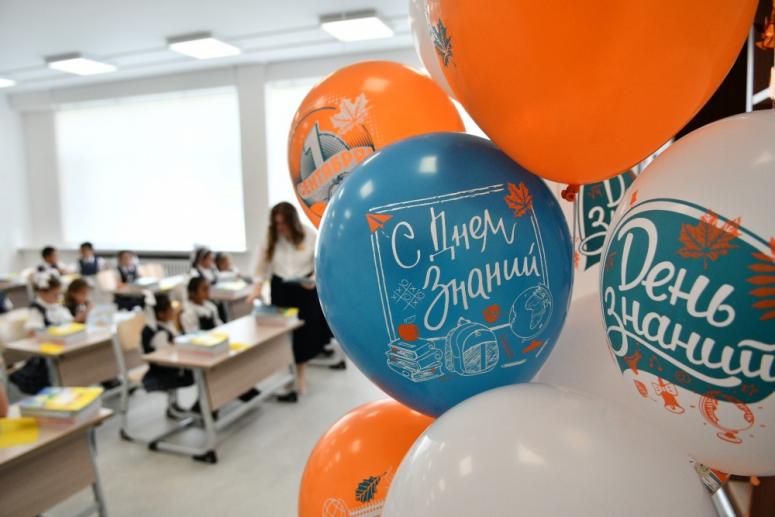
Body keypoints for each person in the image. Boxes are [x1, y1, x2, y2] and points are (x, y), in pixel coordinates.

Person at [249, 202, 334, 398]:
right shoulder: (270, 238)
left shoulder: (309, 235)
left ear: (292, 221)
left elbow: (320, 262)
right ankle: (292, 373)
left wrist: (313, 279)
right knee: (285, 334)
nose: (280, 227)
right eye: (277, 223)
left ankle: (300, 376)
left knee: (304, 334)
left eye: (283, 223)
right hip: (281, 290)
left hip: (304, 290)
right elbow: (260, 266)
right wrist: (256, 289)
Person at [181, 277, 259, 403]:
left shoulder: (210, 307)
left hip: (217, 344)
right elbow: (193, 336)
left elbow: (220, 325)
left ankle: (243, 388)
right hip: (202, 350)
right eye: (204, 289)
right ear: (193, 293)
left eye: (208, 289)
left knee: (239, 356)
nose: (207, 292)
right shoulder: (188, 313)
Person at [10, 272, 73, 394]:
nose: (57, 297)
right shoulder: (36, 309)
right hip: (47, 356)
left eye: (59, 294)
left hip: (66, 346)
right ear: (42, 293)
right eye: (54, 294)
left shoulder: (56, 306)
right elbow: (32, 334)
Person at [141, 293, 194, 410]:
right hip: (162, 371)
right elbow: (165, 357)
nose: (173, 311)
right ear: (161, 314)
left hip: (169, 366)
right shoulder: (158, 332)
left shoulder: (164, 325)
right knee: (195, 373)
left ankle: (175, 406)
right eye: (170, 309)